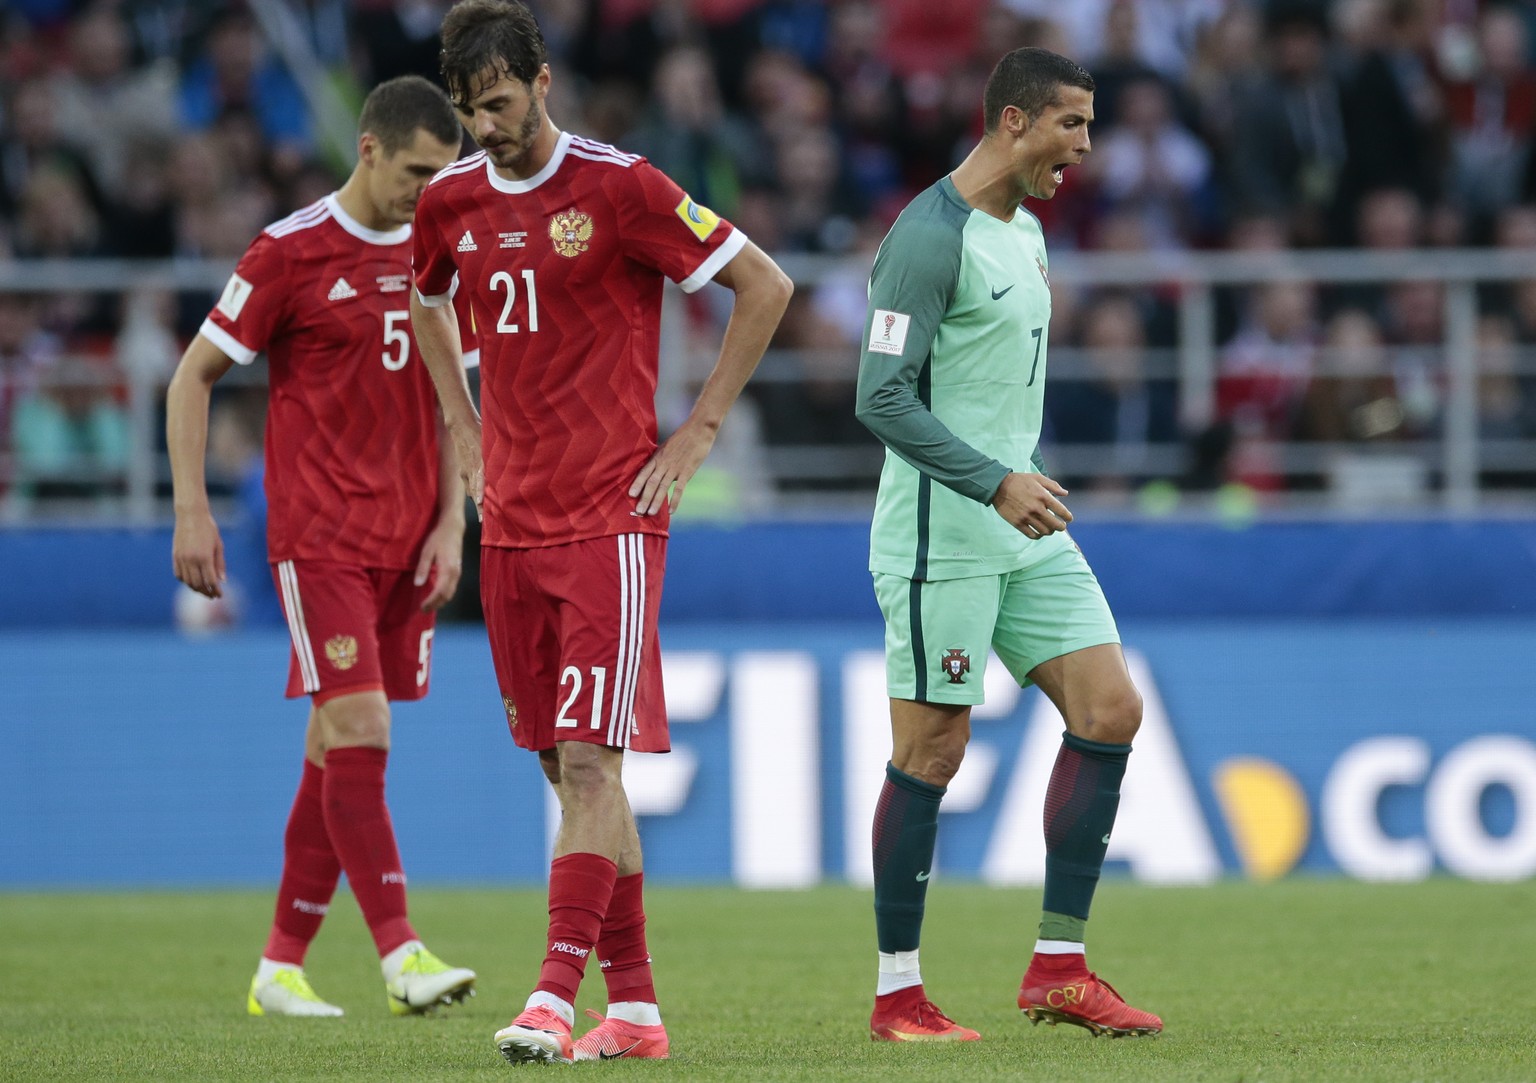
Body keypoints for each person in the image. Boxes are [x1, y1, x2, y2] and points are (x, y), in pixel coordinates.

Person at [408, 0, 793, 1064]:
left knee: (588, 768)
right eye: (467, 110)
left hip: (611, 522)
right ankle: (635, 1012)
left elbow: (765, 285)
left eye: (498, 104)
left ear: (541, 82)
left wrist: (700, 429)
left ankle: (551, 995)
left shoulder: (620, 187)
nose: (485, 127)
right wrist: (463, 425)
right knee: (571, 775)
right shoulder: (449, 204)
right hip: (514, 527)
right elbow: (424, 303)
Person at [853, 47, 1162, 1042]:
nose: (1085, 147)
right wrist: (994, 479)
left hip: (1024, 524)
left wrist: (1010, 482)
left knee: (1110, 708)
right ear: (1015, 122)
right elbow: (880, 395)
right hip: (947, 528)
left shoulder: (1026, 231)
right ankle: (898, 994)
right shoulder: (926, 236)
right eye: (1072, 124)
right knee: (933, 751)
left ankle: (1060, 970)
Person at [166, 75, 478, 1019]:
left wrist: (451, 519)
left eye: (447, 173)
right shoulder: (290, 253)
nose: (432, 191)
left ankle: (279, 966)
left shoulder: (444, 250)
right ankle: (401, 953)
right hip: (321, 537)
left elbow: (453, 403)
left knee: (331, 744)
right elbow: (193, 376)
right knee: (363, 729)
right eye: (419, 172)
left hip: (409, 540)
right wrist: (191, 508)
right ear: (371, 148)